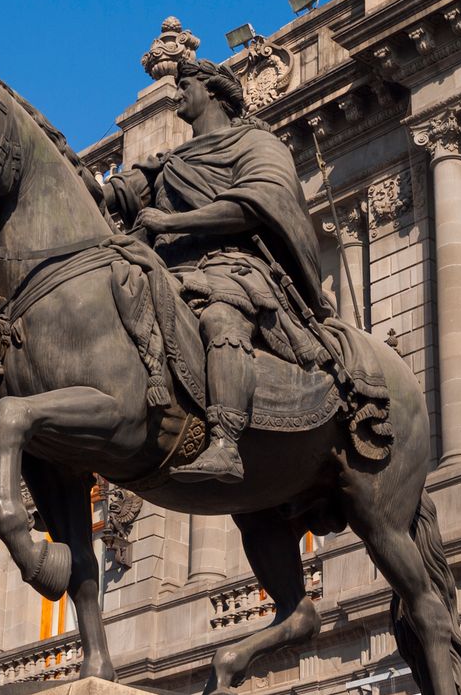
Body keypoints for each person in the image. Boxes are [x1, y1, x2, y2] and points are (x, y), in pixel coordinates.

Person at [103, 59, 337, 483]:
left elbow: (254, 204)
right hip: (169, 271)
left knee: (219, 318)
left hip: (233, 266)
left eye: (187, 84)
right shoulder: (170, 162)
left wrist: (172, 222)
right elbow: (117, 194)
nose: (179, 92)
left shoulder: (256, 145)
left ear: (214, 91)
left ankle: (226, 442)